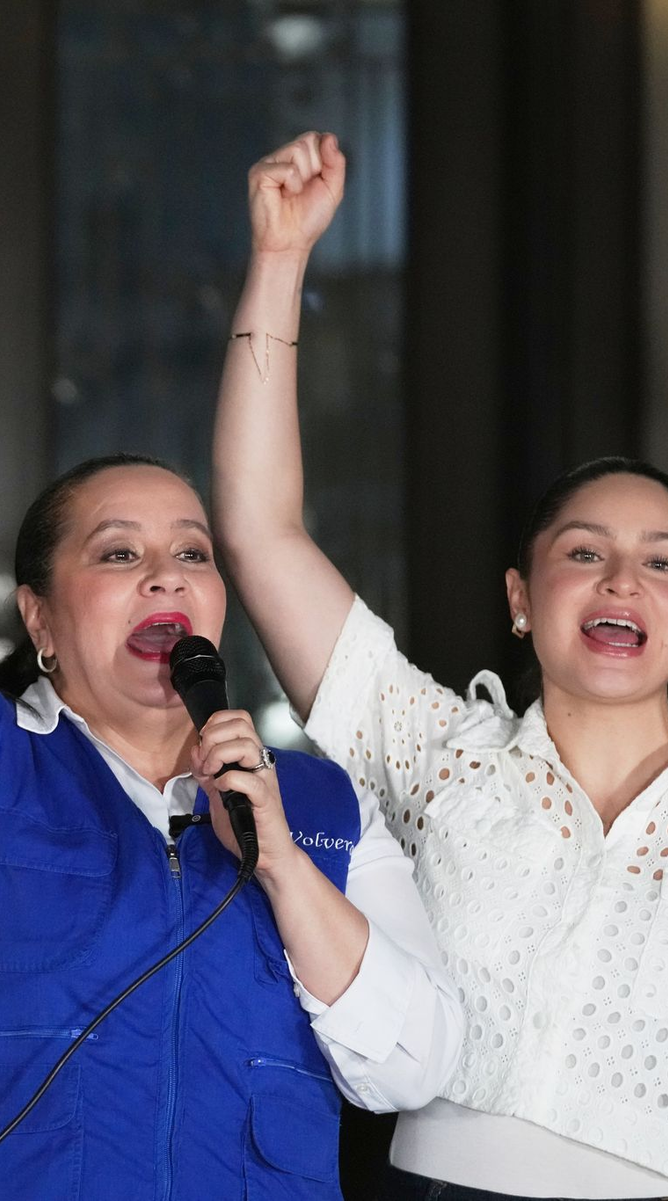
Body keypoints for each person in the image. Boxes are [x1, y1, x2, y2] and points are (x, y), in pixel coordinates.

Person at [0, 181, 462, 1200]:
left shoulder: (327, 813)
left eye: (193, 553)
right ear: (38, 618)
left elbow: (418, 1063)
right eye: (118, 553)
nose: (166, 575)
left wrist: (284, 865)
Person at [211, 131, 668, 1200]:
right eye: (583, 554)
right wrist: (279, 257)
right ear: (520, 597)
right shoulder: (441, 750)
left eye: (662, 563)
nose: (621, 584)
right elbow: (261, 528)